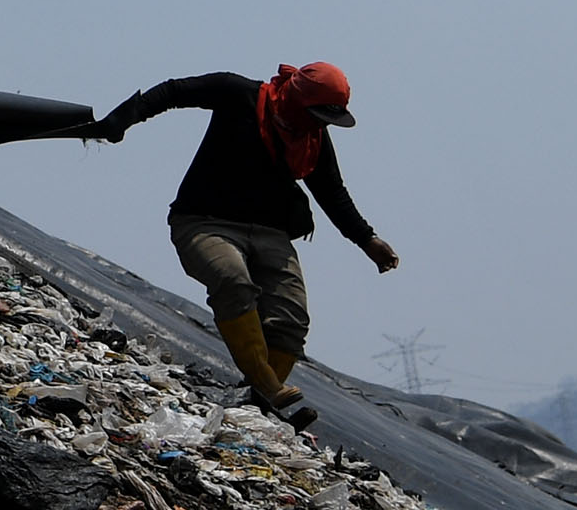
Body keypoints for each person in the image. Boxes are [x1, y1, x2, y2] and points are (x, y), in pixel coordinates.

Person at [83, 61, 399, 428]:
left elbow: (331, 192)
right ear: (296, 99)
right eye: (315, 114)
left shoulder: (311, 138)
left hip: (271, 234)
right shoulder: (239, 94)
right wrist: (123, 118)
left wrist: (367, 239)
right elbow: (174, 91)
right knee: (232, 281)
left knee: (291, 319)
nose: (319, 123)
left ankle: (255, 404)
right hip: (204, 223)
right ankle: (268, 385)